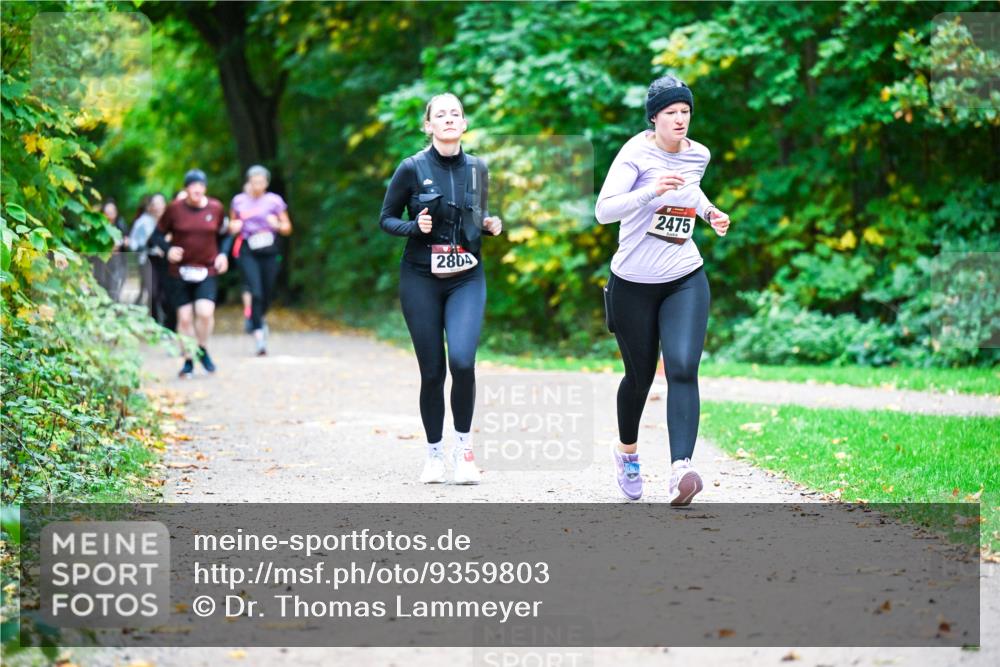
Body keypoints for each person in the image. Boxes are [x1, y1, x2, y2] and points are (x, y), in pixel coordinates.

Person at [595, 75, 731, 505]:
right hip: (632, 283)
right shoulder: (635, 154)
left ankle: (680, 470)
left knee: (683, 367)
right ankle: (627, 453)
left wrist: (709, 212)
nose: (679, 119)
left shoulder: (699, 154)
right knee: (639, 378)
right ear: (654, 118)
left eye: (685, 111)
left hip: (683, 275)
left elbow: (690, 190)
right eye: (671, 112)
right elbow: (604, 211)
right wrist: (650, 191)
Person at [379, 92, 503, 485]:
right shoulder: (411, 168)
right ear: (428, 125)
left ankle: (464, 452)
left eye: (455, 114)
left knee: (462, 362)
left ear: (464, 124)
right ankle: (434, 454)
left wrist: (490, 224)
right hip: (421, 277)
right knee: (432, 371)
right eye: (441, 114)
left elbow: (477, 215)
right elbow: (386, 218)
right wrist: (414, 227)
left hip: (467, 276)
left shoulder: (478, 168)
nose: (449, 119)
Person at [150, 169, 232, 378]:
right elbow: (156, 235)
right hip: (180, 271)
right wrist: (168, 250)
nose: (197, 189)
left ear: (205, 188)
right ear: (186, 189)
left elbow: (226, 234)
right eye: (193, 186)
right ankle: (188, 360)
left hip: (207, 269)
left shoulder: (216, 208)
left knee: (205, 313)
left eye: (201, 186)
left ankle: (202, 349)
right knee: (185, 319)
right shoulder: (174, 209)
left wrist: (223, 255)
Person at [229, 165, 292, 355]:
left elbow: (288, 228)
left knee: (267, 291)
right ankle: (259, 335)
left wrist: (278, 225)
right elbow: (231, 225)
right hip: (248, 250)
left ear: (266, 183)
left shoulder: (274, 201)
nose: (257, 185)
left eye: (261, 182)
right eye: (254, 182)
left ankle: (258, 317)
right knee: (255, 292)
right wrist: (234, 226)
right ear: (249, 182)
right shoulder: (239, 201)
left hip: (269, 250)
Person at [128, 193, 167, 321]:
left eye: (160, 204)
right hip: (148, 261)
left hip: (167, 261)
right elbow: (134, 243)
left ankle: (168, 323)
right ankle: (155, 321)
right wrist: (152, 249)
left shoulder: (169, 220)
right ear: (150, 207)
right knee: (153, 293)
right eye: (155, 204)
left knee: (165, 294)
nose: (157, 207)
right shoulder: (143, 222)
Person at [92, 199, 129, 301]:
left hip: (118, 260)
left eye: (112, 212)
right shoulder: (98, 226)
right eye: (107, 213)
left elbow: (127, 239)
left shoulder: (121, 224)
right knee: (102, 285)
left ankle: (113, 304)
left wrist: (124, 242)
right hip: (102, 261)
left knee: (115, 286)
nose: (110, 216)